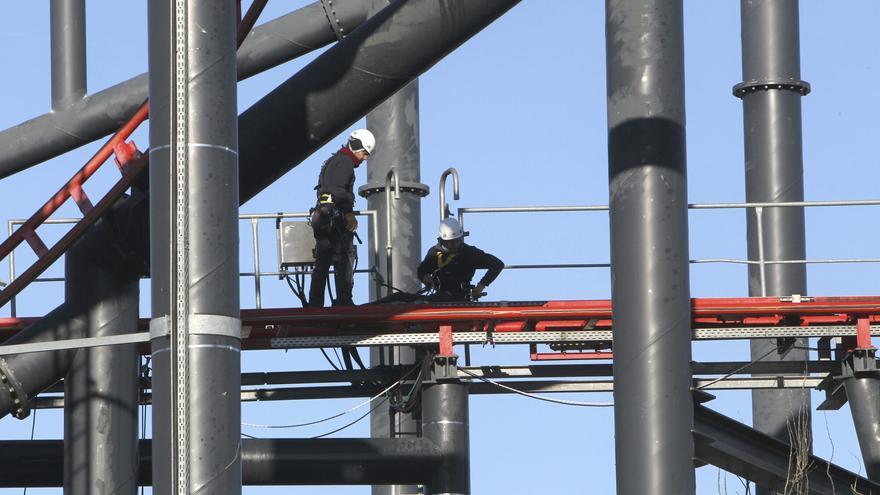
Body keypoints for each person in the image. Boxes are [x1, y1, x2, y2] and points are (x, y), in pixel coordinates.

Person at [308, 129, 375, 369]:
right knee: (344, 259)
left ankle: (315, 303)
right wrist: (348, 211)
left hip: (322, 217)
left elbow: (325, 191)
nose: (364, 159)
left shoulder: (333, 160)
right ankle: (343, 300)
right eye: (365, 154)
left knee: (323, 262)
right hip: (333, 218)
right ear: (357, 148)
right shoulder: (345, 163)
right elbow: (338, 193)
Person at [417, 217, 504, 302]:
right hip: (440, 297)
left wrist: (480, 286)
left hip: (462, 297)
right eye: (450, 242)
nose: (455, 245)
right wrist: (426, 278)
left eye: (457, 241)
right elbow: (422, 270)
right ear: (442, 240)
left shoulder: (470, 253)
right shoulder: (434, 254)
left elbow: (497, 264)